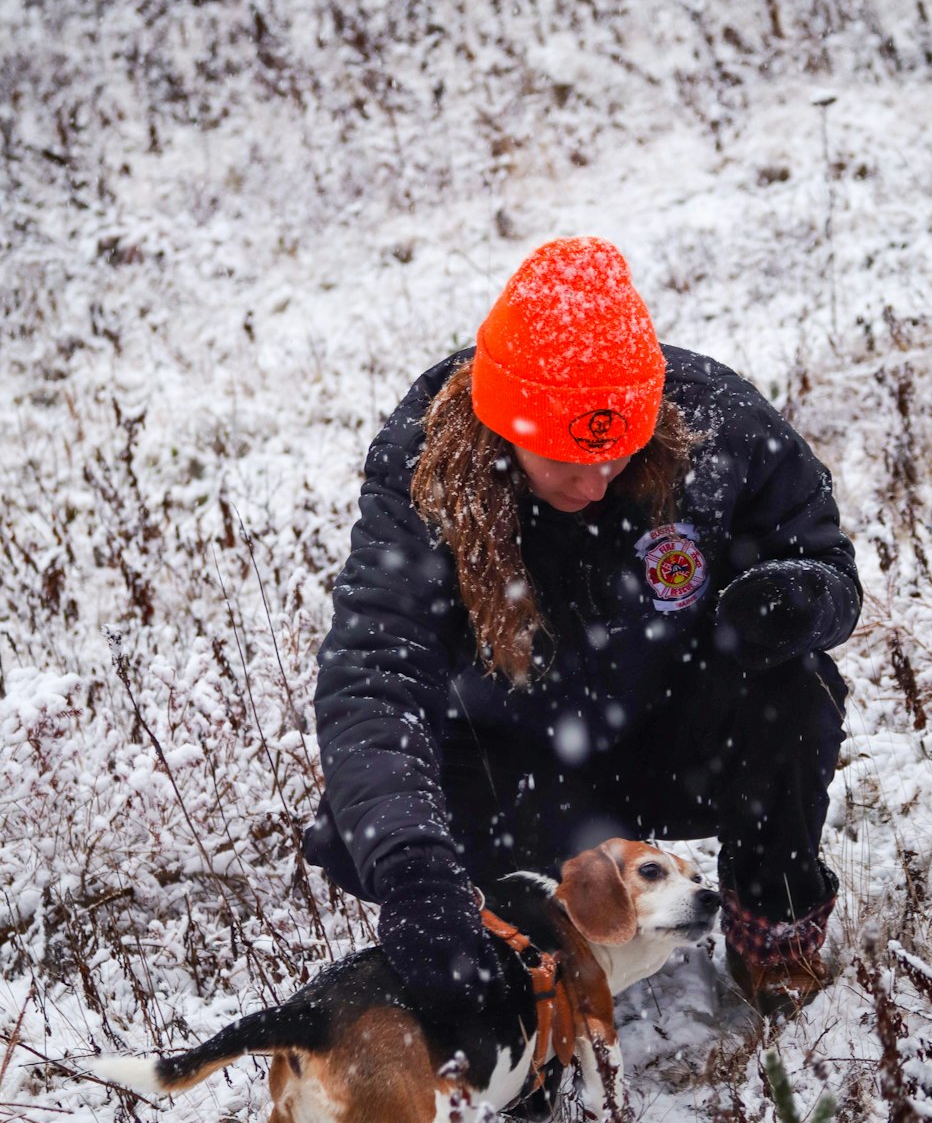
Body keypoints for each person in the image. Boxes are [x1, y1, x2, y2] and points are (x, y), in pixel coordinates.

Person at [304, 237, 861, 1014]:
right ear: (504, 426)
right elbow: (374, 668)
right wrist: (410, 863)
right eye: (564, 456)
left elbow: (831, 568)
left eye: (615, 452)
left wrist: (801, 597)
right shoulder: (426, 464)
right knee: (486, 914)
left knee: (797, 690)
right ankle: (532, 988)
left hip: (674, 734)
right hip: (522, 758)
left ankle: (773, 932)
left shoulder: (718, 425)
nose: (594, 481)